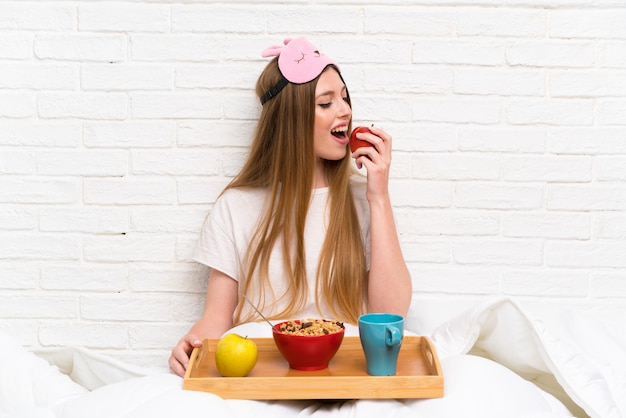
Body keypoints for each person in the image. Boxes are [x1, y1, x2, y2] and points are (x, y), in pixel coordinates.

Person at [169, 37, 412, 377]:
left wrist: (379, 197)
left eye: (344, 97)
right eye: (326, 103)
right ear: (290, 120)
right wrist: (191, 345)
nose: (345, 110)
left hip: (344, 373)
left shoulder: (365, 201)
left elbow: (390, 317)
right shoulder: (235, 207)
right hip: (263, 374)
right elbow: (217, 318)